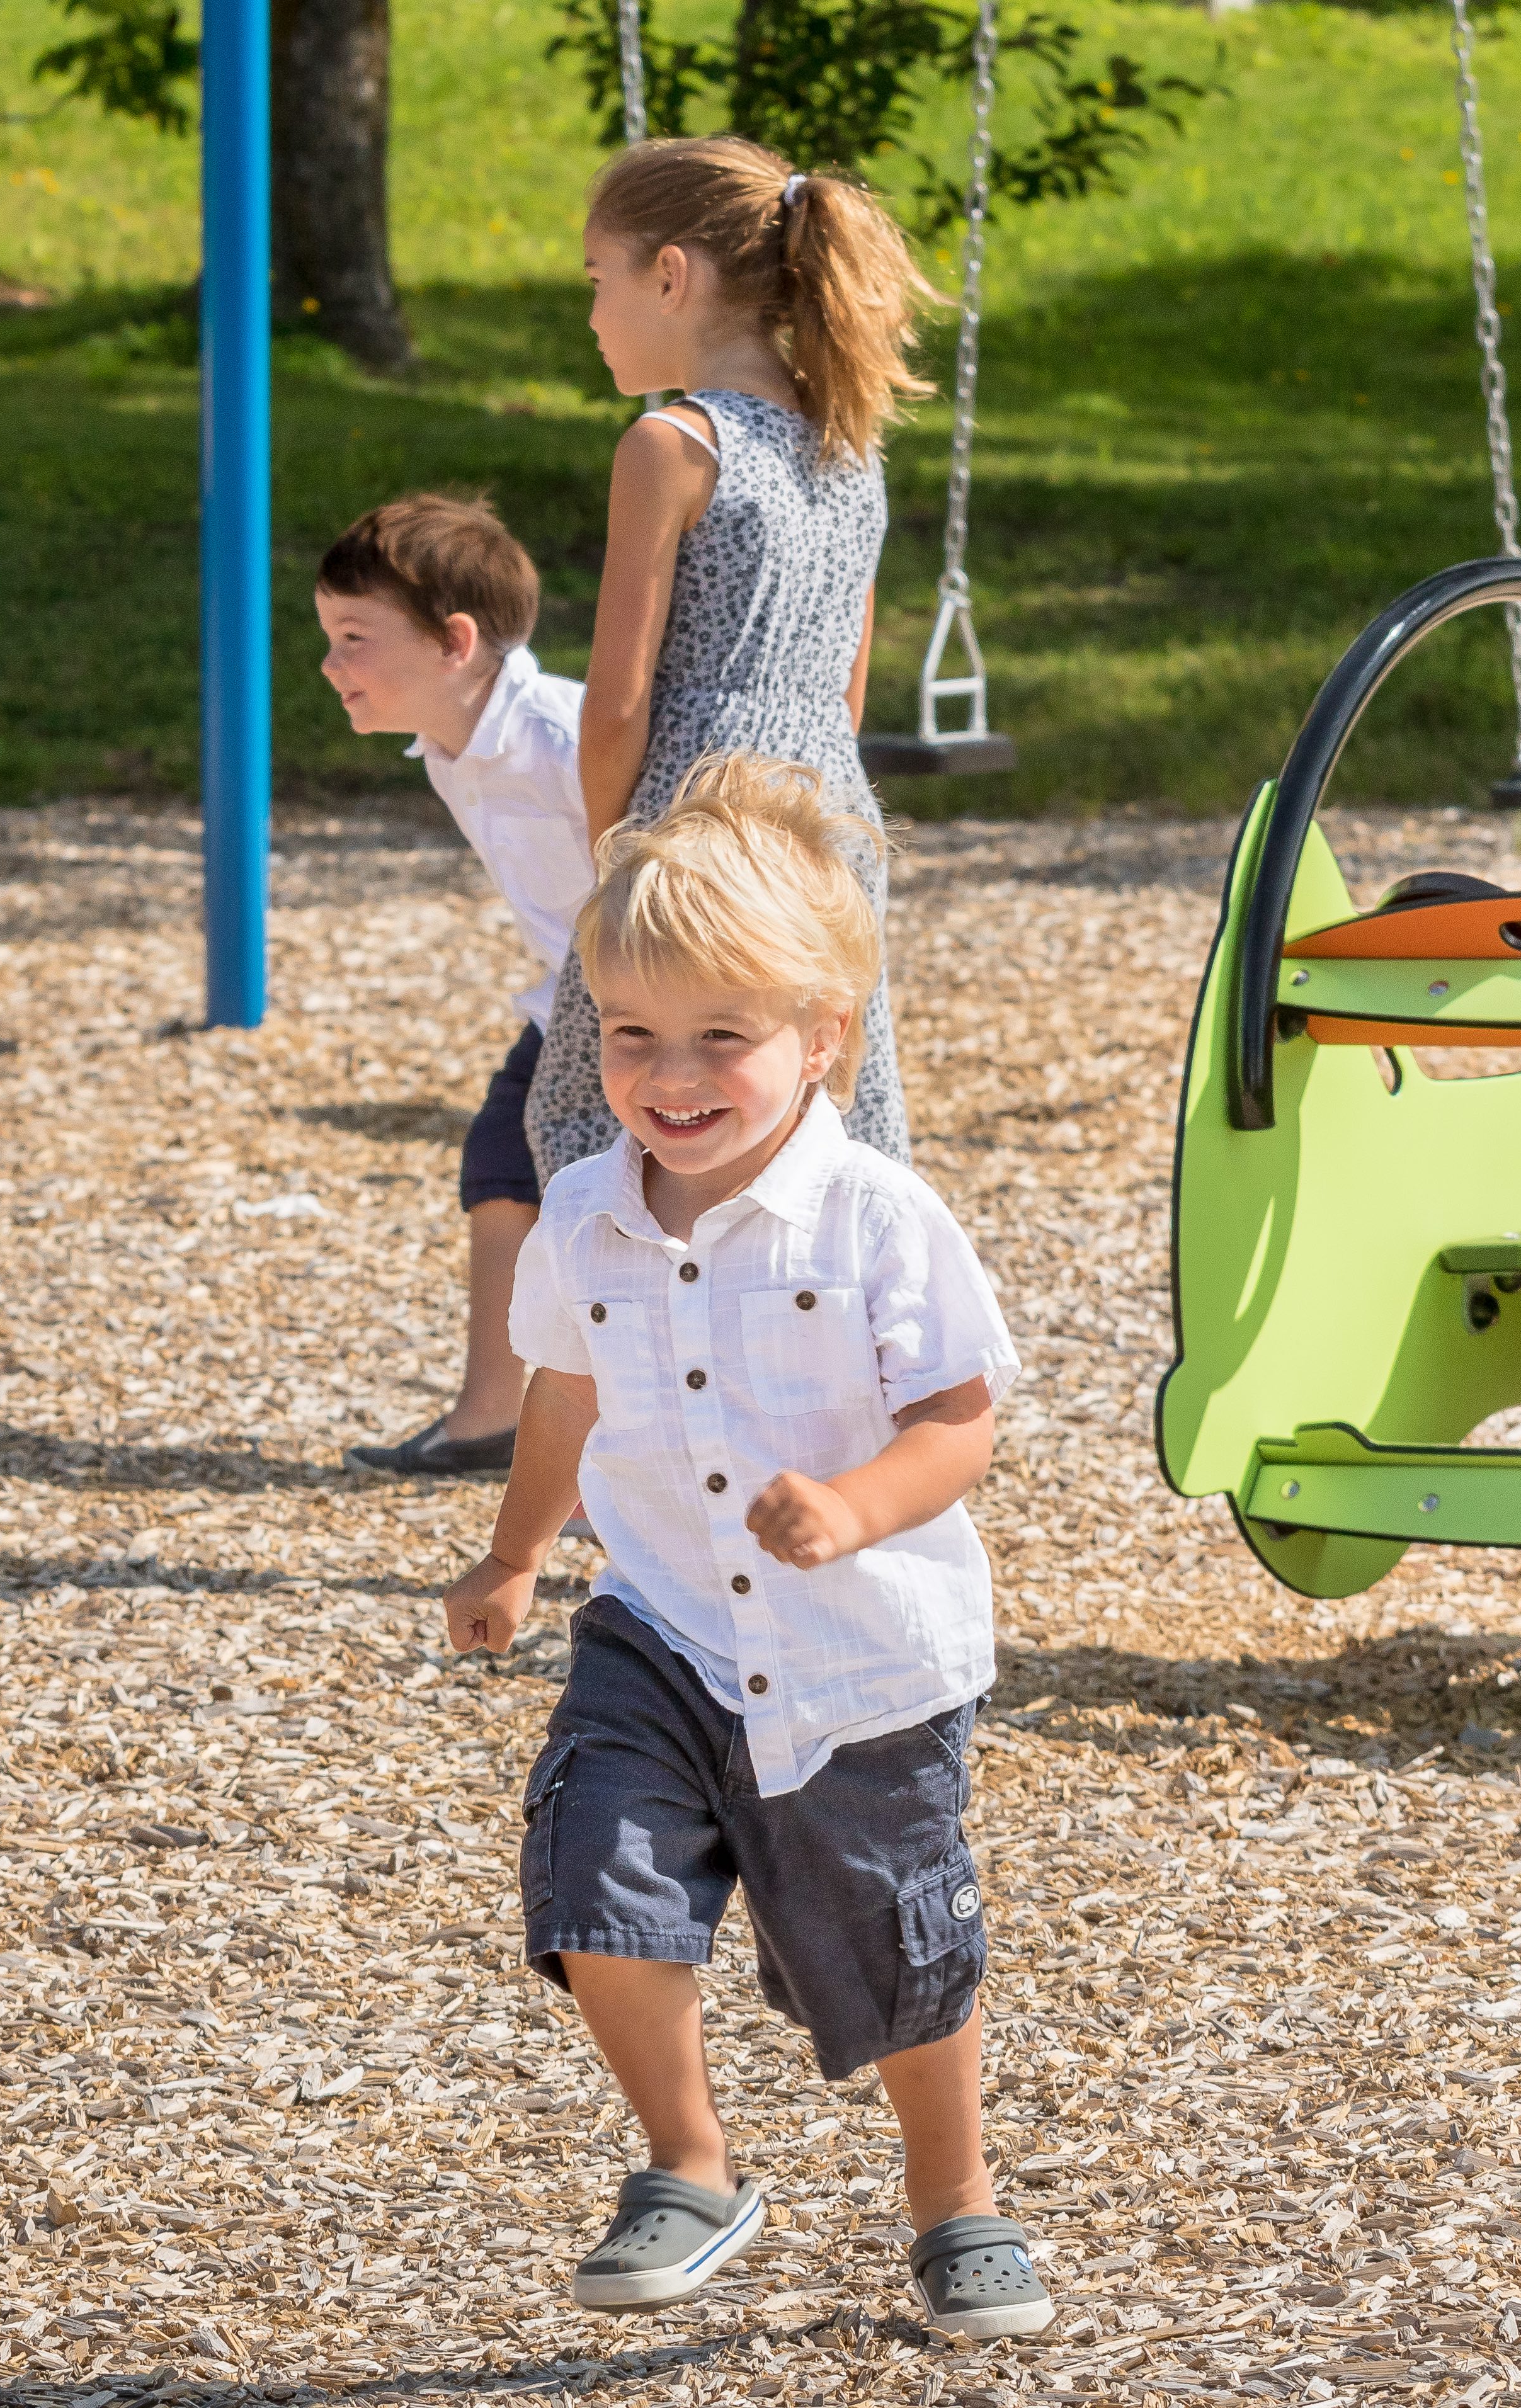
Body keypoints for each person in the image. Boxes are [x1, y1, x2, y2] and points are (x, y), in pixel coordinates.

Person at [445, 753, 1052, 2339]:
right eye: (634, 1035)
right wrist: (516, 1554)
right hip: (657, 1626)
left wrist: (852, 1506)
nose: (674, 1072)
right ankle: (689, 2165)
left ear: (823, 1039)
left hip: (860, 1659)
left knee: (898, 1950)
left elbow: (963, 1421)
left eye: (724, 1035)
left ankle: (955, 2202)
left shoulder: (878, 1216)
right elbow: (566, 1397)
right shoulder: (583, 1211)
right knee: (593, 1882)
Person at [522, 135, 928, 1190]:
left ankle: (633, 1335)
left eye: (595, 280)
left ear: (670, 277)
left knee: (607, 1111)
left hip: (693, 805)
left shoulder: (672, 446)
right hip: (828, 811)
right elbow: (846, 686)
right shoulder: (850, 447)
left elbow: (616, 704)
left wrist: (613, 853)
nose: (591, 314)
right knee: (802, 1086)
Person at [315, 494, 595, 1480]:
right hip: (574, 996)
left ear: (455, 643)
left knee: (602, 1196)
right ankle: (489, 1418)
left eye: (354, 639)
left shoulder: (565, 737)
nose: (329, 665)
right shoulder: (450, 747)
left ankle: (622, 1436)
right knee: (501, 1165)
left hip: (640, 1005)